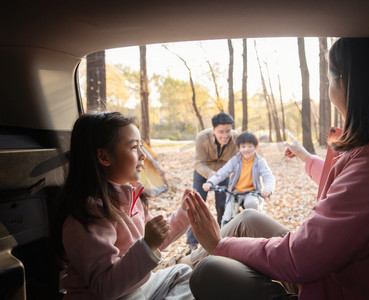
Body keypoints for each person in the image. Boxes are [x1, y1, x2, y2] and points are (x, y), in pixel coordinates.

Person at [184, 38, 369, 299]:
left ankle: (182, 276)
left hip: (338, 285)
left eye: (330, 79)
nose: (329, 89)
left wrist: (219, 245)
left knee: (210, 272)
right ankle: (180, 272)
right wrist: (305, 158)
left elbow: (300, 257)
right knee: (248, 220)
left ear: (347, 83)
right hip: (339, 273)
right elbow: (347, 187)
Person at [53, 112, 193, 300]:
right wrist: (147, 245)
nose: (143, 155)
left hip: (139, 286)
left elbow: (155, 239)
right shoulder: (88, 214)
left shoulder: (130, 196)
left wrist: (185, 214)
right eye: (134, 147)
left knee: (183, 274)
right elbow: (105, 287)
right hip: (113, 296)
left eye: (141, 146)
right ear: (104, 157)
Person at [186, 112, 239, 252]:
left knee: (222, 205)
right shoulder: (202, 137)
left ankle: (222, 237)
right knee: (197, 205)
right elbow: (198, 162)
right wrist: (209, 174)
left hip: (222, 174)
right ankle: (192, 242)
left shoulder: (236, 138)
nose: (225, 135)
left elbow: (239, 160)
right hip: (203, 171)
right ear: (213, 130)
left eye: (228, 131)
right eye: (220, 132)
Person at [202, 131, 275, 226]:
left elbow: (268, 176)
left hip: (251, 193)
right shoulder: (235, 160)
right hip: (234, 193)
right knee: (227, 216)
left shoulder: (260, 161)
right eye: (243, 147)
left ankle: (255, 230)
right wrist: (210, 182)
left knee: (252, 205)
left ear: (256, 147)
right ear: (239, 148)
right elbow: (222, 172)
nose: (246, 149)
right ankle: (224, 238)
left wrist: (268, 189)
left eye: (250, 146)